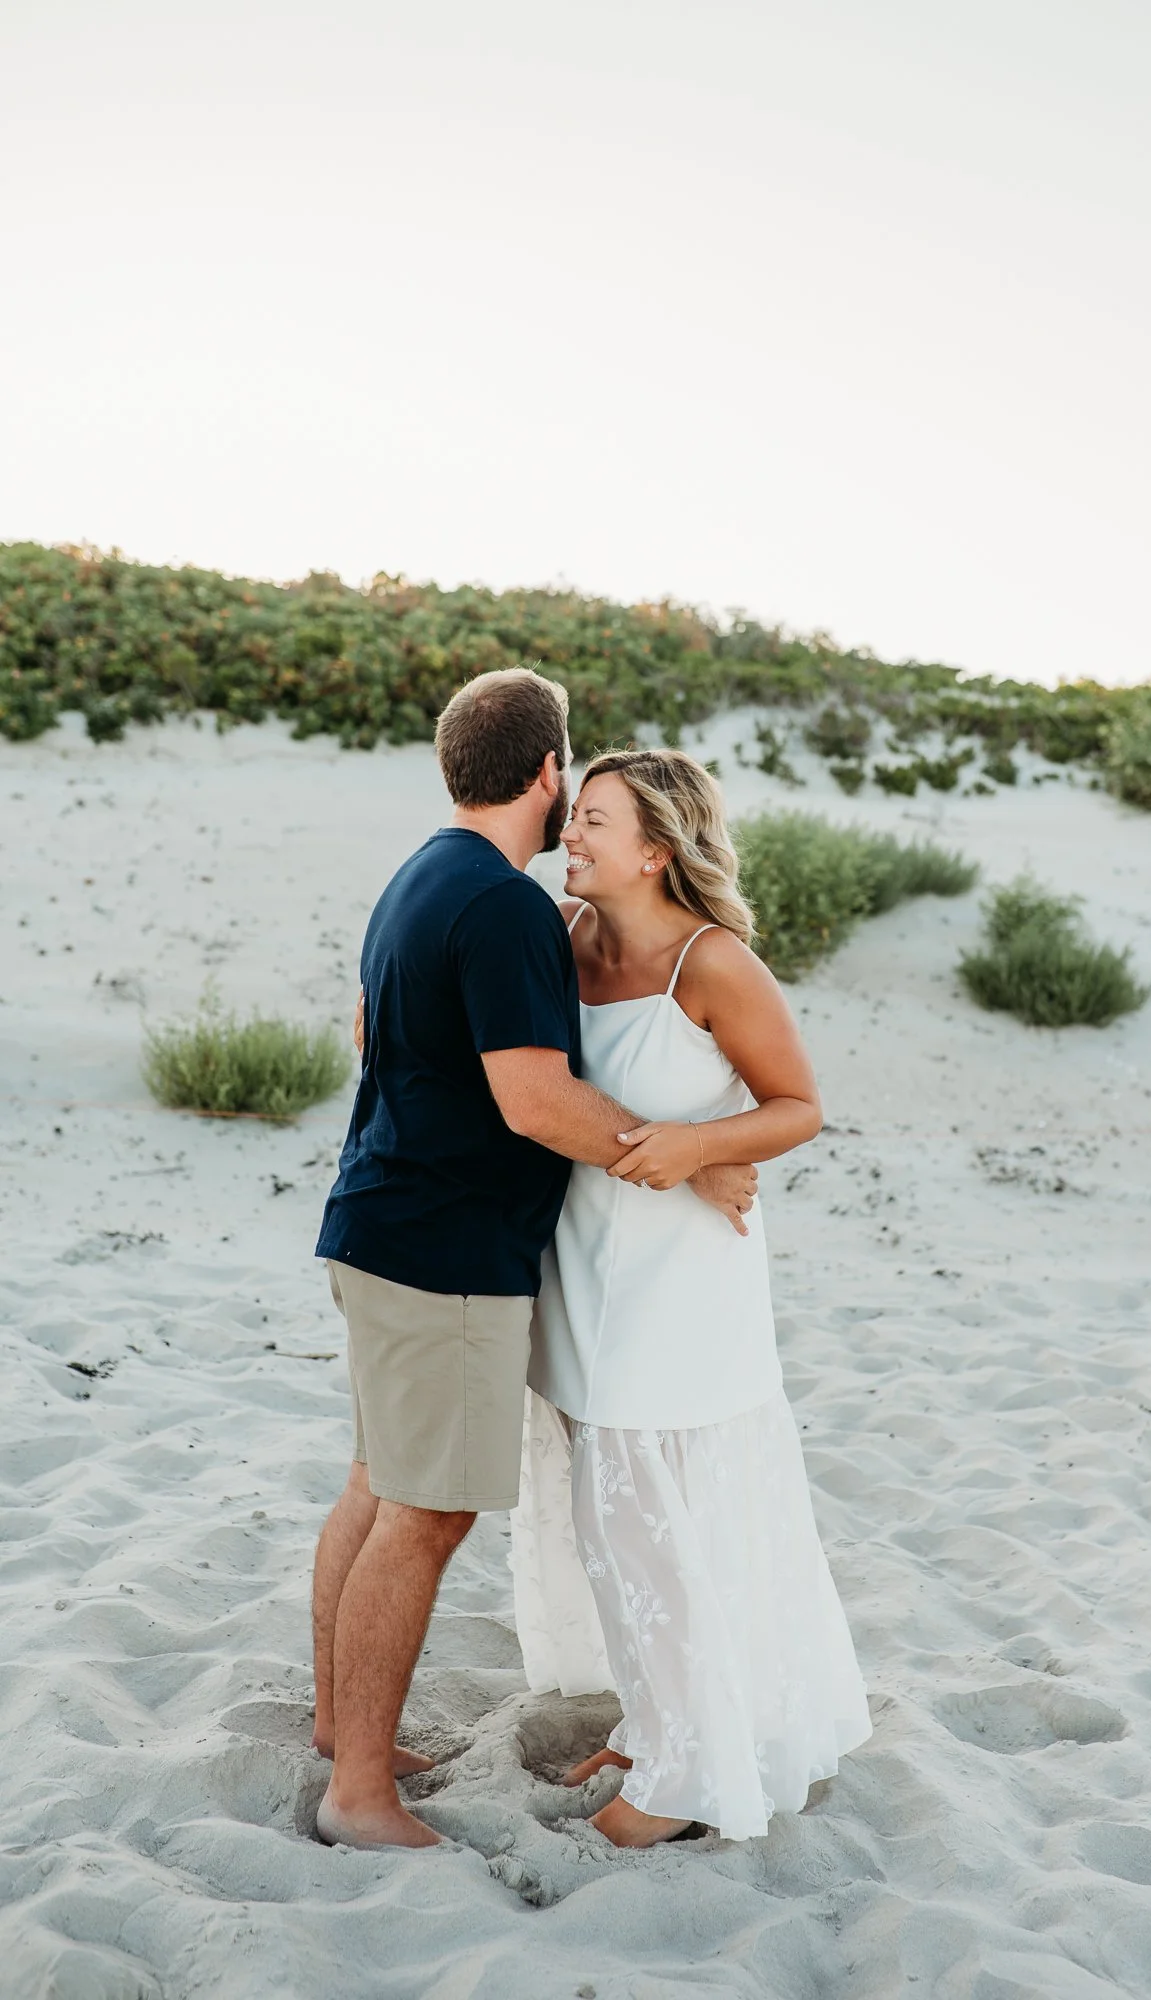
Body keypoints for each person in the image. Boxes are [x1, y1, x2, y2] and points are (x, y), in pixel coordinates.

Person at [311, 672, 755, 1851]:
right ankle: (359, 1790)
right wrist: (688, 1158)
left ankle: (340, 1730)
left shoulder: (424, 871)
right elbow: (534, 1099)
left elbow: (368, 1027)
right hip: (445, 1254)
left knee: (377, 1484)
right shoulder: (505, 904)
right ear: (549, 769)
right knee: (426, 1511)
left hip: (379, 1225)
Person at [511, 747, 871, 1847]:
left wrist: (702, 1149)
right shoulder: (565, 935)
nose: (570, 835)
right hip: (581, 1256)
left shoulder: (713, 964)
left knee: (645, 1515)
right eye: (575, 815)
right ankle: (665, 1721)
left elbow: (798, 1105)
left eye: (595, 821)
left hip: (680, 1281)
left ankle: (680, 1780)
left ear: (656, 851)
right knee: (606, 1509)